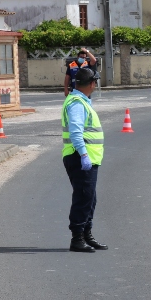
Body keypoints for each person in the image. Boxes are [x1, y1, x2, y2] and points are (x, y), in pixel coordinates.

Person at [61, 67, 108, 253]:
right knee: (83, 197)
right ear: (91, 83)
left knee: (90, 198)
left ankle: (87, 235)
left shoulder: (81, 101)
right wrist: (83, 154)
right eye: (95, 82)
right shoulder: (77, 103)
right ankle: (77, 238)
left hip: (85, 158)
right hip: (79, 157)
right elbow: (75, 132)